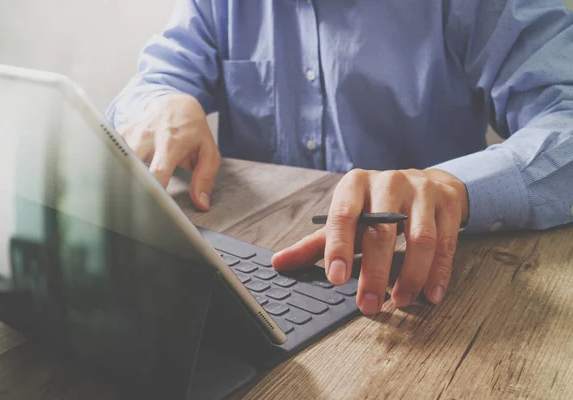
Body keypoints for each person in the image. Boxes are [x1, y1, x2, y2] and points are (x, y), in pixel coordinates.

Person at [106, 0, 573, 315]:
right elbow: (150, 85)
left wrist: (454, 186)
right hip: (232, 285)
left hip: (421, 296)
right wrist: (162, 102)